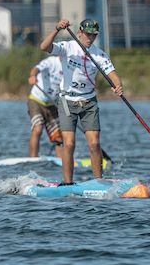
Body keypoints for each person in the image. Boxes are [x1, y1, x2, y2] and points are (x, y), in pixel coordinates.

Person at [39, 18, 123, 184]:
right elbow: (44, 47)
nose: (90, 38)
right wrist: (56, 29)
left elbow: (112, 74)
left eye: (93, 35)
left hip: (89, 102)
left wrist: (118, 86)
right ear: (79, 32)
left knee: (94, 143)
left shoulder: (99, 55)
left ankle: (99, 182)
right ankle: (68, 183)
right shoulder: (68, 47)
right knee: (69, 144)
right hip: (67, 100)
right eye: (87, 35)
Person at [27, 55, 65, 159]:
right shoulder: (51, 61)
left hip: (52, 105)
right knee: (38, 129)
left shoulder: (70, 67)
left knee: (58, 137)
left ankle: (62, 161)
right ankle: (33, 159)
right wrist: (33, 76)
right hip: (36, 101)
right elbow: (36, 69)